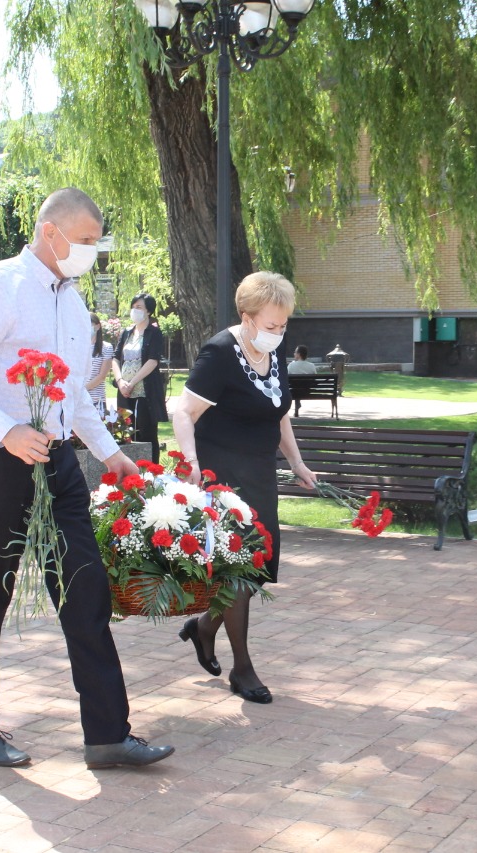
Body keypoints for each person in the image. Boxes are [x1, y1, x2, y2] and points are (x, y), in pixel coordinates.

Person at [0, 187, 174, 770]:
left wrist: (111, 454)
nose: (92, 252)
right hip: (2, 462)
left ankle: (108, 735)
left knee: (86, 590)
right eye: (87, 241)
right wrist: (6, 429)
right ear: (51, 233)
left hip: (61, 464)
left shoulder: (70, 299)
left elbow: (73, 394)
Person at [169, 271, 318, 704]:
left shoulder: (274, 350)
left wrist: (297, 462)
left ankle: (202, 629)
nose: (279, 333)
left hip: (259, 474)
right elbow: (183, 413)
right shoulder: (219, 352)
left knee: (253, 572)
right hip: (222, 478)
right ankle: (243, 669)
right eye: (271, 326)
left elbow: (278, 412)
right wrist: (191, 463)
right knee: (240, 569)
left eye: (284, 325)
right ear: (247, 318)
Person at [112, 294, 167, 464]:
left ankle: (151, 472)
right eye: (133, 306)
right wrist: (121, 381)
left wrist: (133, 382)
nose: (135, 310)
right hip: (125, 391)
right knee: (126, 432)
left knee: (147, 433)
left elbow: (152, 361)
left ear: (148, 311)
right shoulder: (126, 333)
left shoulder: (154, 333)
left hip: (145, 391)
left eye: (139, 307)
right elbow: (115, 358)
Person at [85, 314, 114, 416]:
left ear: (97, 326)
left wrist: (83, 389)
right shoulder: (79, 347)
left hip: (96, 399)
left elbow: (101, 376)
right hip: (80, 399)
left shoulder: (106, 347)